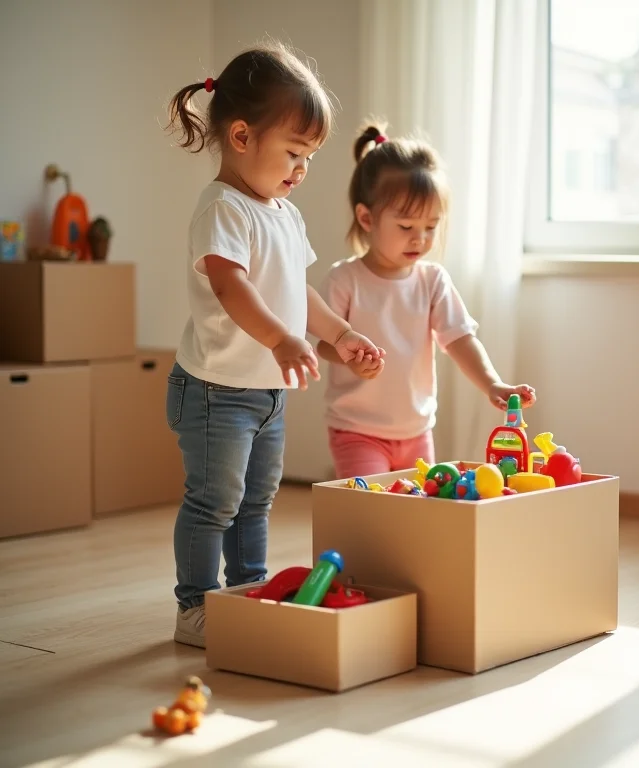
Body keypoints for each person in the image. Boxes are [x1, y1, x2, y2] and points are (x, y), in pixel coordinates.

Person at [165, 44, 384, 648]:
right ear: (241, 135)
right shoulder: (222, 209)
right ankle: (196, 607)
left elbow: (297, 291)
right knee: (215, 502)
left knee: (256, 502)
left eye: (308, 157)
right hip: (213, 390)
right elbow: (233, 288)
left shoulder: (283, 214)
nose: (302, 168)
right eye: (293, 152)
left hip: (264, 391)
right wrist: (284, 339)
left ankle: (247, 592)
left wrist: (340, 334)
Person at [317, 122, 535, 479]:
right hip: (356, 430)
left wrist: (493, 383)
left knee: (419, 511)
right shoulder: (345, 279)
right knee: (371, 509)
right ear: (366, 218)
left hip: (417, 432)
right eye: (406, 227)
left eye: (431, 226)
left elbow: (460, 339)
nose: (420, 238)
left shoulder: (432, 280)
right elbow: (322, 342)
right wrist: (346, 353)